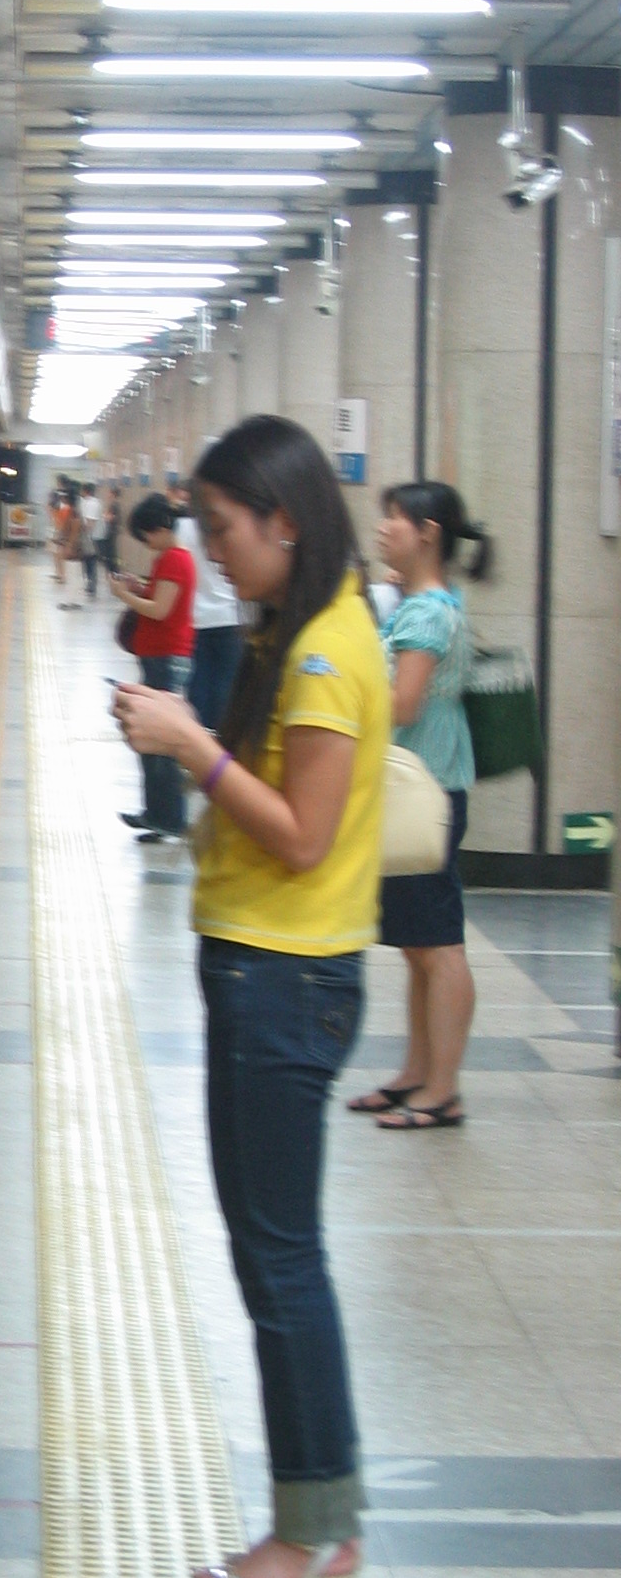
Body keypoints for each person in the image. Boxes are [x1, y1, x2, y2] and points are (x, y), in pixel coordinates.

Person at [112, 415, 388, 1578]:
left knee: (281, 1259)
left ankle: (315, 1538)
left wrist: (189, 746)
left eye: (224, 530)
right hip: (266, 969)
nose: (213, 553)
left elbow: (304, 834)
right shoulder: (303, 626)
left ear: (284, 518)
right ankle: (316, 1524)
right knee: (271, 1252)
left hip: (286, 977)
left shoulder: (324, 651)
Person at [348, 482, 487, 1132]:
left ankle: (443, 1090)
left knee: (438, 946)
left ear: (427, 533)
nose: (382, 530)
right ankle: (417, 1073)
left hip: (424, 795)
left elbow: (403, 703)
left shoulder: (426, 613)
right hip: (423, 788)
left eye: (394, 520)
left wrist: (346, 686)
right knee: (418, 945)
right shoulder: (426, 603)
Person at [108, 492, 196, 843]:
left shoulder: (175, 559)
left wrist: (124, 596)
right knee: (151, 740)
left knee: (161, 744)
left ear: (159, 528)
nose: (145, 543)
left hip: (166, 660)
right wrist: (140, 587)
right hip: (158, 657)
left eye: (145, 535)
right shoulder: (169, 558)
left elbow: (160, 610)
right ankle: (156, 814)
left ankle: (169, 819)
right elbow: (161, 598)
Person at [176, 490, 245, 731]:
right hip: (230, 616)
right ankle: (221, 737)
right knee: (227, 684)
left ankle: (198, 735)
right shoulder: (231, 526)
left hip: (196, 617)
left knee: (198, 683)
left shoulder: (181, 528)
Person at [79, 483, 103, 597]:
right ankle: (90, 583)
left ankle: (91, 584)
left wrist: (85, 534)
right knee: (88, 560)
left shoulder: (91, 503)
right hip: (92, 535)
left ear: (86, 491)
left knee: (90, 560)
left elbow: (90, 522)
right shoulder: (92, 502)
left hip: (91, 536)